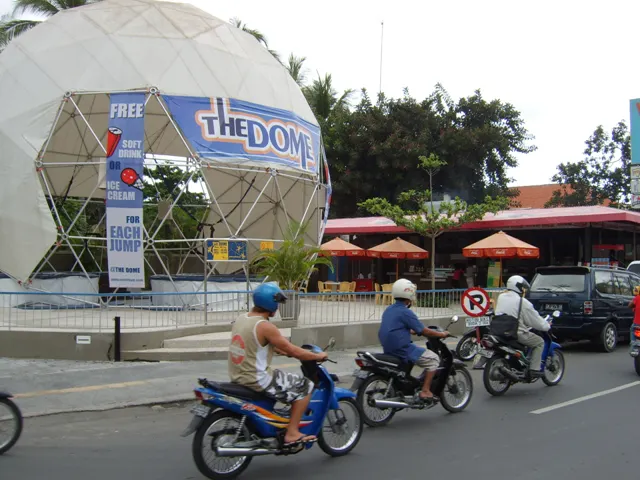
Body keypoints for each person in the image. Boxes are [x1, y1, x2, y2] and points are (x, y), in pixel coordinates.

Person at [228, 283, 327, 447]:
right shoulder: (265, 326)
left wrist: (283, 351)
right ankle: (292, 433)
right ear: (271, 303)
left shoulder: (242, 318)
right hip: (257, 379)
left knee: (282, 377)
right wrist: (317, 356)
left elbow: (256, 344)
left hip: (238, 375)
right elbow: (292, 349)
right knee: (306, 386)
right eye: (277, 303)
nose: (278, 307)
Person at [378, 278, 449, 404]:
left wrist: (410, 331)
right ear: (410, 294)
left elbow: (395, 327)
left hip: (389, 348)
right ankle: (425, 390)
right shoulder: (406, 312)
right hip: (403, 349)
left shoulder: (389, 309)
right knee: (434, 359)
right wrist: (442, 334)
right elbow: (424, 331)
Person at [494, 275, 550, 379]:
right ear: (518, 287)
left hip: (498, 331)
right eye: (522, 287)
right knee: (539, 342)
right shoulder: (522, 302)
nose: (523, 289)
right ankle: (534, 369)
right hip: (515, 332)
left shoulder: (501, 297)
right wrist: (546, 326)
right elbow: (535, 320)